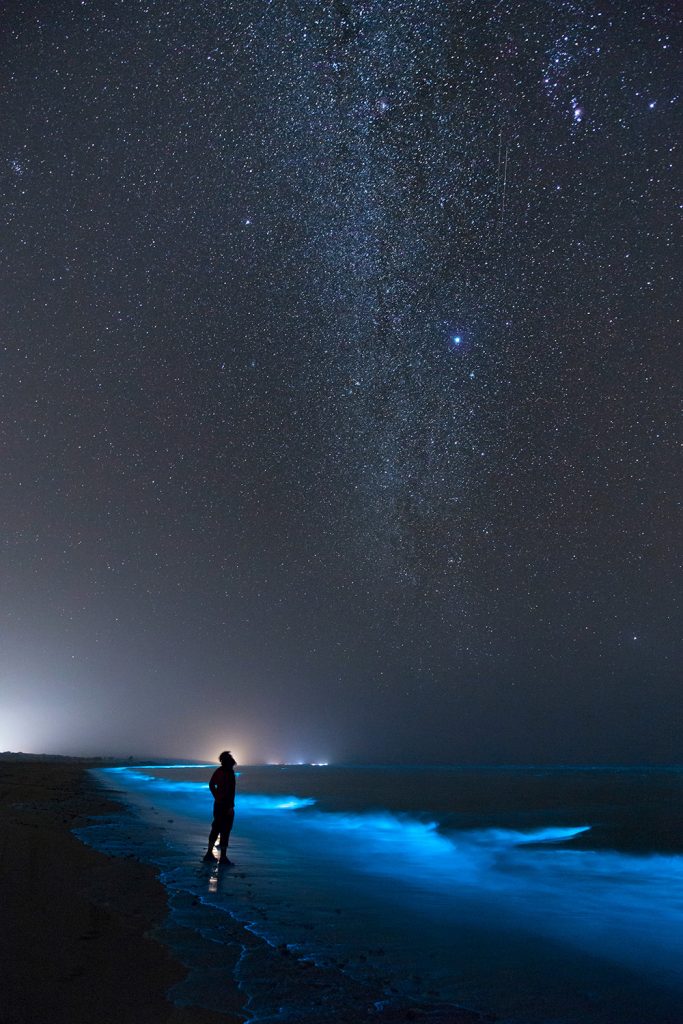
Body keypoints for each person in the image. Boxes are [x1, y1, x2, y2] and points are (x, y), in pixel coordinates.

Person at [203, 751, 236, 864]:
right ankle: (223, 857)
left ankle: (209, 853)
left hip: (218, 804)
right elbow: (231, 792)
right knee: (225, 830)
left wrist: (217, 796)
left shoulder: (219, 771)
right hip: (225, 805)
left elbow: (211, 784)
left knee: (216, 828)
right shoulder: (229, 773)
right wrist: (231, 807)